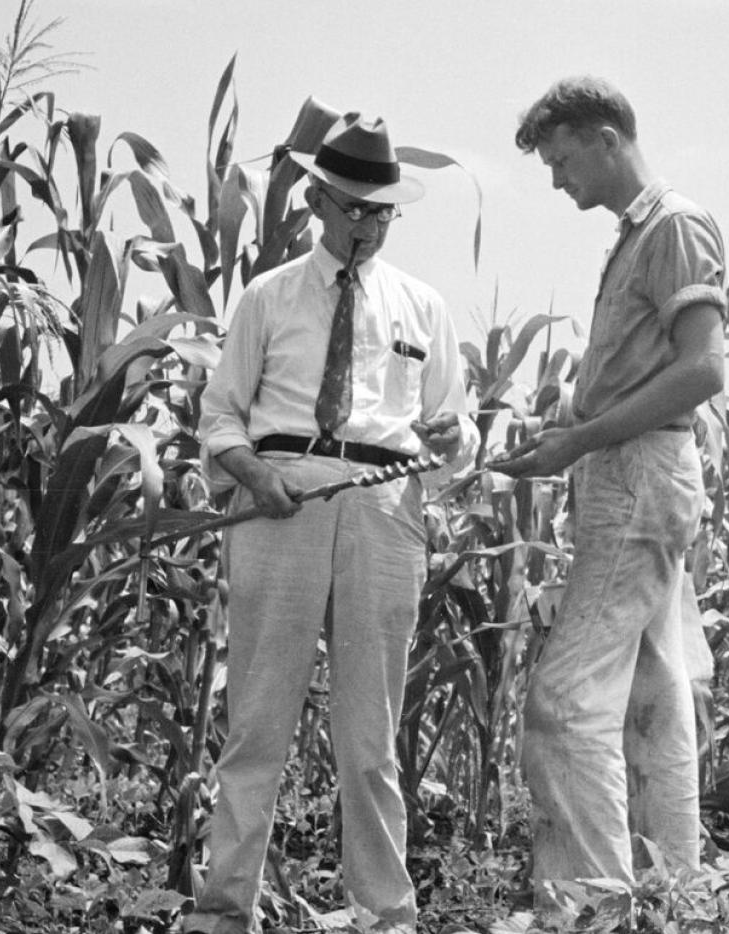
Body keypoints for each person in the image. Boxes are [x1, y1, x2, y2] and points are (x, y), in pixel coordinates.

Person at [195, 111, 476, 934]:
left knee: (370, 735)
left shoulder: (423, 308)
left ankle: (384, 916)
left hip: (385, 507)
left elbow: (455, 435)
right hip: (281, 498)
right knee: (257, 721)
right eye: (350, 208)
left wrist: (458, 436)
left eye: (379, 211)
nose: (364, 226)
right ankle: (221, 914)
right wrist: (254, 475)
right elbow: (219, 420)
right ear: (316, 201)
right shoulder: (267, 297)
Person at [494, 76, 727, 916]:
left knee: (562, 705)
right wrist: (564, 437)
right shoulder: (639, 235)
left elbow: (703, 370)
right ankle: (680, 896)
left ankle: (591, 909)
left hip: (636, 475)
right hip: (625, 469)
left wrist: (582, 441)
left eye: (561, 160)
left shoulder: (672, 226)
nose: (558, 181)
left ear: (604, 137)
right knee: (652, 697)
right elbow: (647, 371)